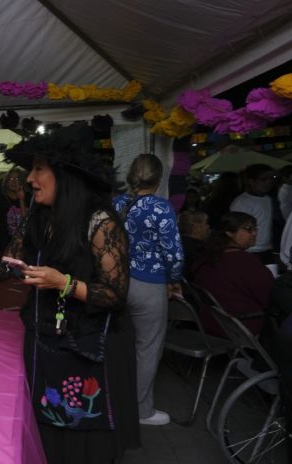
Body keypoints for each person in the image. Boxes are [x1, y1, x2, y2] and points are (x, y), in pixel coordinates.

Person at [0, 123, 139, 463]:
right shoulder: (38, 217)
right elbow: (6, 268)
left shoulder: (100, 222)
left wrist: (64, 283)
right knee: (50, 430)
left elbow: (115, 295)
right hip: (48, 340)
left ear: (64, 175)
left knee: (85, 440)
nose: (30, 180)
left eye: (38, 169)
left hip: (90, 346)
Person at [113, 153, 183, 427]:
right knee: (147, 348)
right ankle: (141, 411)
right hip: (149, 285)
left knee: (119, 343)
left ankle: (113, 400)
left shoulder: (117, 203)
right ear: (159, 178)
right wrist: (174, 279)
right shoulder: (160, 208)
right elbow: (173, 253)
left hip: (117, 281)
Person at [193, 212, 274, 338]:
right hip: (240, 327)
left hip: (210, 324)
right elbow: (269, 297)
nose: (254, 233)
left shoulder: (207, 256)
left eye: (255, 229)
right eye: (248, 229)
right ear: (229, 232)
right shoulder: (245, 262)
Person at [230, 163, 276, 264]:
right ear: (251, 181)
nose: (268, 182)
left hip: (266, 249)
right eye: (263, 179)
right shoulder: (242, 202)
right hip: (249, 250)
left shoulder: (268, 199)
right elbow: (236, 230)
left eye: (271, 179)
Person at [0, 167, 27, 258]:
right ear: (6, 182)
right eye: (11, 179)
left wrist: (21, 200)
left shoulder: (27, 198)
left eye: (17, 179)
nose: (14, 182)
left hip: (22, 245)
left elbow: (26, 221)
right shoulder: (0, 200)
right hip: (4, 244)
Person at [178, 210, 210, 281]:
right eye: (206, 223)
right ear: (196, 228)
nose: (208, 227)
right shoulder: (200, 249)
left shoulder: (174, 243)